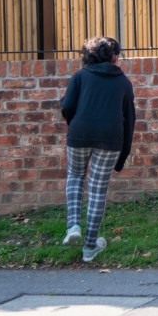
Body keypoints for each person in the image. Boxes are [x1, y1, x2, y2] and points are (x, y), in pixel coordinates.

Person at [60, 36, 136, 262]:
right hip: (110, 137)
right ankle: (89, 247)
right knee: (97, 189)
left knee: (75, 176)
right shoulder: (123, 82)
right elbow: (129, 119)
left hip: (80, 132)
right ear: (114, 56)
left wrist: (76, 124)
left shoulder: (80, 76)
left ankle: (73, 226)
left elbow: (67, 106)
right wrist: (123, 155)